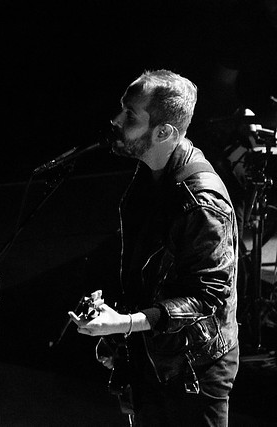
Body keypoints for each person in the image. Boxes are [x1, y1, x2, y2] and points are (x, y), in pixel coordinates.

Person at [68, 70, 239, 426]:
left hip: (193, 369)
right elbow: (144, 271)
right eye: (122, 109)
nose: (116, 121)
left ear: (163, 133)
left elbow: (207, 296)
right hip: (152, 354)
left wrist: (126, 323)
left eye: (130, 115)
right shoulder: (148, 174)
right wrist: (118, 333)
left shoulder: (202, 202)